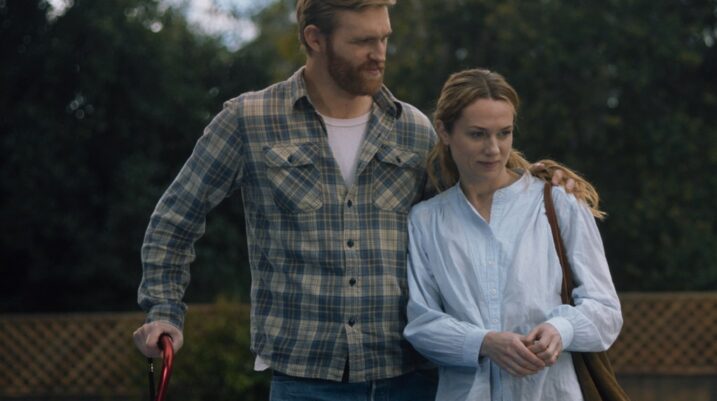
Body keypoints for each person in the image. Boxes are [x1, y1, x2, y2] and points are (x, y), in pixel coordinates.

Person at [132, 1, 570, 399]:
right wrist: (164, 312)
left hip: (411, 379)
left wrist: (540, 180)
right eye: (362, 41)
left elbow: (476, 207)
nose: (379, 54)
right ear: (315, 39)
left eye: (384, 38)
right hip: (305, 381)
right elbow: (175, 219)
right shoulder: (249, 120)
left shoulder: (413, 129)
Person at [402, 68, 623, 401]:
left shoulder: (558, 202)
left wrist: (560, 330)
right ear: (444, 131)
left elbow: (606, 311)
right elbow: (422, 325)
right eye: (477, 134)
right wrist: (485, 343)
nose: (493, 149)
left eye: (504, 133)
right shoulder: (426, 220)